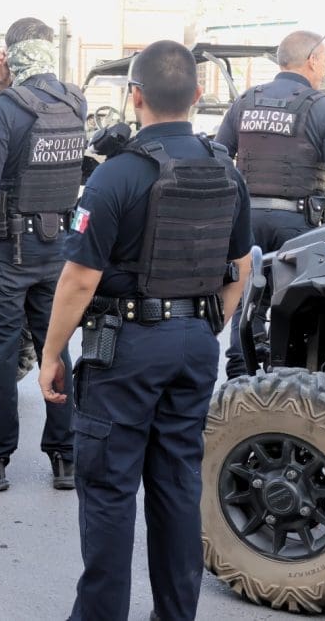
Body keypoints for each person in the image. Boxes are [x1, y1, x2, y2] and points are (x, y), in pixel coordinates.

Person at [38, 40, 253, 620]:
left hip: (126, 348)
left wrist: (52, 354)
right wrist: (205, 326)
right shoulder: (226, 171)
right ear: (199, 94)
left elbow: (79, 280)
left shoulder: (118, 175)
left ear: (135, 96)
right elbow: (241, 265)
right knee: (177, 486)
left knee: (109, 488)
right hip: (195, 343)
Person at [0, 17, 86, 492]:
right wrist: (7, 85)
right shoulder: (75, 102)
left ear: (10, 54)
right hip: (58, 246)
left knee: (1, 354)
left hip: (10, 251)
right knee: (56, 348)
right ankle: (66, 459)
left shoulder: (4, 109)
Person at [217, 31, 325, 379]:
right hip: (297, 228)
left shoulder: (245, 101)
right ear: (312, 60)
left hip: (246, 222)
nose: (323, 69)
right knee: (298, 308)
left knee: (247, 305)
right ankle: (288, 384)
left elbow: (219, 158)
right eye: (323, 61)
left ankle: (238, 380)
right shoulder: (322, 107)